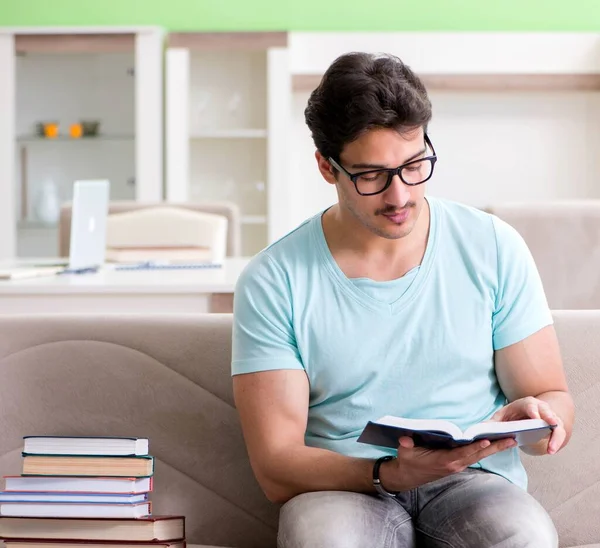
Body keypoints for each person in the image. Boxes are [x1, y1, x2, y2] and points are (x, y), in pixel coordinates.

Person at [231, 52, 574, 548]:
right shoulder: (273, 279)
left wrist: (540, 421)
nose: (399, 196)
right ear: (327, 168)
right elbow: (277, 467)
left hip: (472, 480)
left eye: (414, 165)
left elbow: (551, 396)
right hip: (342, 482)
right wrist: (389, 473)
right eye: (371, 176)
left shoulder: (493, 246)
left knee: (525, 538)